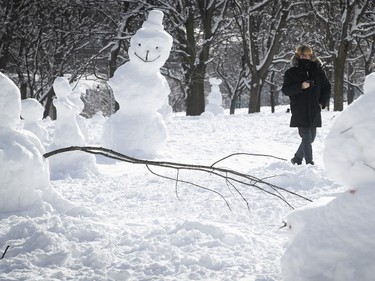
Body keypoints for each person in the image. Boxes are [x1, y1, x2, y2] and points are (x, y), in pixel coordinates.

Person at [282, 44, 331, 165]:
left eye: (308, 55)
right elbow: (285, 90)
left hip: (314, 109)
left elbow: (327, 87)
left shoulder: (318, 71)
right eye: (303, 55)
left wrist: (322, 103)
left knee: (311, 137)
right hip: (299, 109)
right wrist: (300, 86)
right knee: (307, 137)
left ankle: (297, 158)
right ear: (298, 56)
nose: (306, 57)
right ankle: (309, 163)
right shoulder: (291, 73)